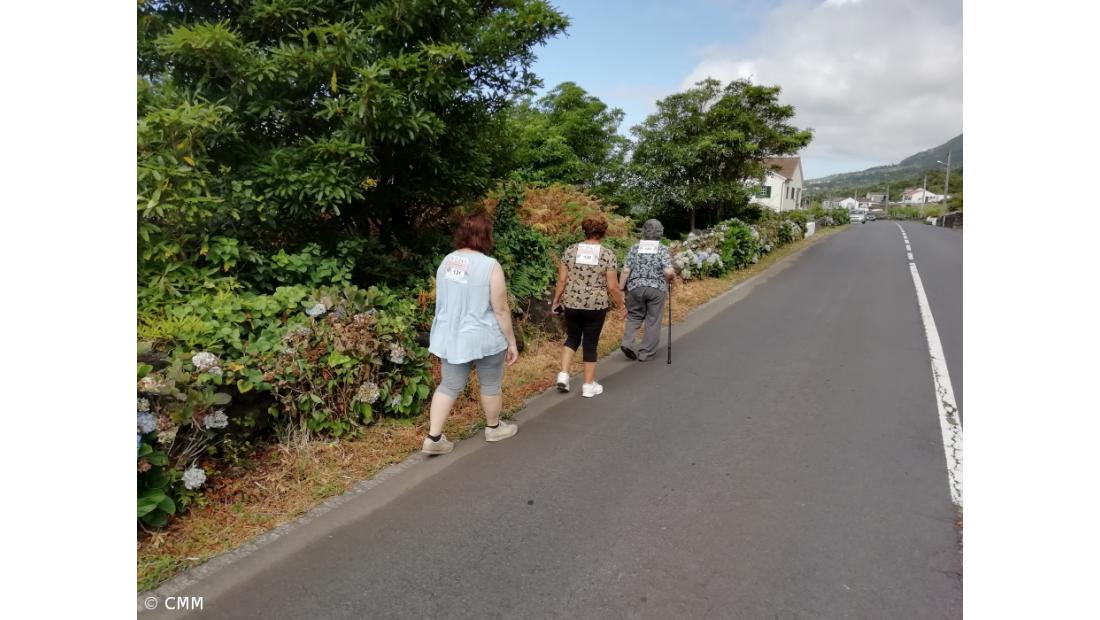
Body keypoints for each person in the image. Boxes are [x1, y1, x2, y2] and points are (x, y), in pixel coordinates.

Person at [422, 213, 520, 455]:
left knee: (449, 385)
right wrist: (511, 341)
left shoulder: (446, 261)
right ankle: (493, 428)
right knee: (490, 383)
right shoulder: (490, 265)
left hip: (450, 335)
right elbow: (500, 307)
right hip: (484, 336)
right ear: (486, 236)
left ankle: (434, 439)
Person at [549, 214, 627, 398]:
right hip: (595, 305)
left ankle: (563, 375)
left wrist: (556, 301)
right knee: (590, 343)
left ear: (584, 230)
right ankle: (588, 385)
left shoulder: (570, 251)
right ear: (603, 232)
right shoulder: (607, 254)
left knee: (572, 338)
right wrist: (622, 305)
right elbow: (613, 287)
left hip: (572, 302)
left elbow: (561, 280)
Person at [619, 219, 676, 362]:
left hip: (635, 288)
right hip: (656, 289)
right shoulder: (662, 249)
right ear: (660, 232)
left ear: (644, 231)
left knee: (634, 316)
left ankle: (627, 343)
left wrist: (621, 288)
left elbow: (626, 270)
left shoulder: (635, 247)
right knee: (653, 320)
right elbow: (668, 272)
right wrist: (671, 275)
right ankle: (646, 353)